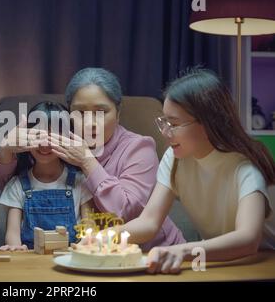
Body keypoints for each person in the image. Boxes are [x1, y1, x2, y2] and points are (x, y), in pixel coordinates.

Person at [0, 68, 185, 251]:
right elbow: (7, 185)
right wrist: (6, 149)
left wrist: (87, 161)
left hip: (151, 252)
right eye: (80, 113)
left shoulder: (139, 148)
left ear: (118, 114)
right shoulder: (58, 144)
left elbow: (128, 213)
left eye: (101, 112)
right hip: (88, 255)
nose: (90, 123)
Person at [113, 68, 275, 273]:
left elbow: (248, 239)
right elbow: (149, 222)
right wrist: (102, 238)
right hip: (220, 264)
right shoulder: (175, 158)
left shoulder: (244, 168)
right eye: (164, 122)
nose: (164, 132)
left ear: (208, 123)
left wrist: (181, 251)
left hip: (262, 265)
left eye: (173, 124)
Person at [0, 101, 93, 251]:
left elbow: (89, 231)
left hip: (71, 260)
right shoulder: (17, 185)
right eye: (38, 134)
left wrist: (84, 246)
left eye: (52, 136)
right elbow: (12, 235)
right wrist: (15, 248)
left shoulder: (80, 181)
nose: (44, 143)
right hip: (30, 265)